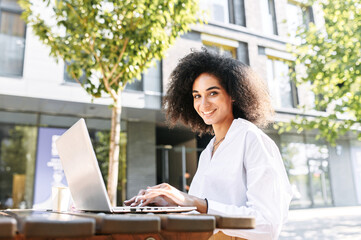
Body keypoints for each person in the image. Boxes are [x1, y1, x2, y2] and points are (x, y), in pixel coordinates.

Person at [124, 50, 292, 240]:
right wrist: (168, 203)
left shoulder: (252, 140)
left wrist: (196, 202)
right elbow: (199, 215)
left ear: (234, 95)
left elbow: (267, 224)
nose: (203, 104)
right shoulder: (209, 151)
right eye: (197, 96)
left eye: (213, 93)